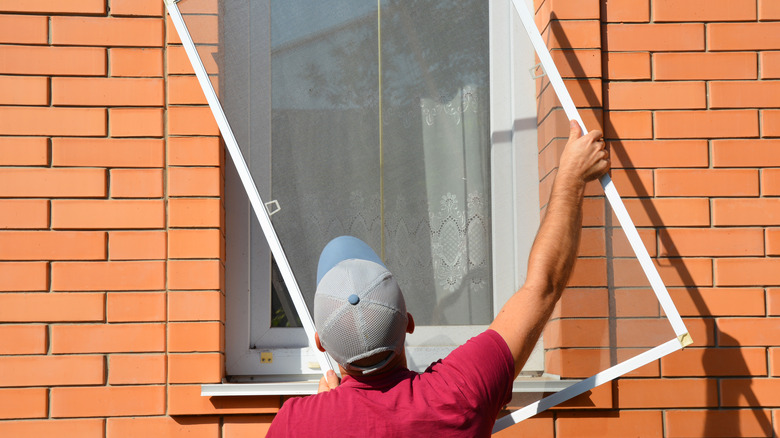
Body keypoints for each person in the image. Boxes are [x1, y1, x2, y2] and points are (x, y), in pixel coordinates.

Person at [266, 121, 609, 437]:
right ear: (409, 322)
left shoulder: (294, 423)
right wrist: (571, 178)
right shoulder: (459, 391)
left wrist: (322, 412)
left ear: (321, 342)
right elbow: (543, 285)